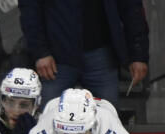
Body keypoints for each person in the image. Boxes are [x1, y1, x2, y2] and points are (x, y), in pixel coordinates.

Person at [18, 0, 149, 108]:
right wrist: (40, 52)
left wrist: (138, 54)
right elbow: (29, 9)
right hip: (56, 59)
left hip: (102, 55)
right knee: (48, 120)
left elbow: (132, 8)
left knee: (108, 119)